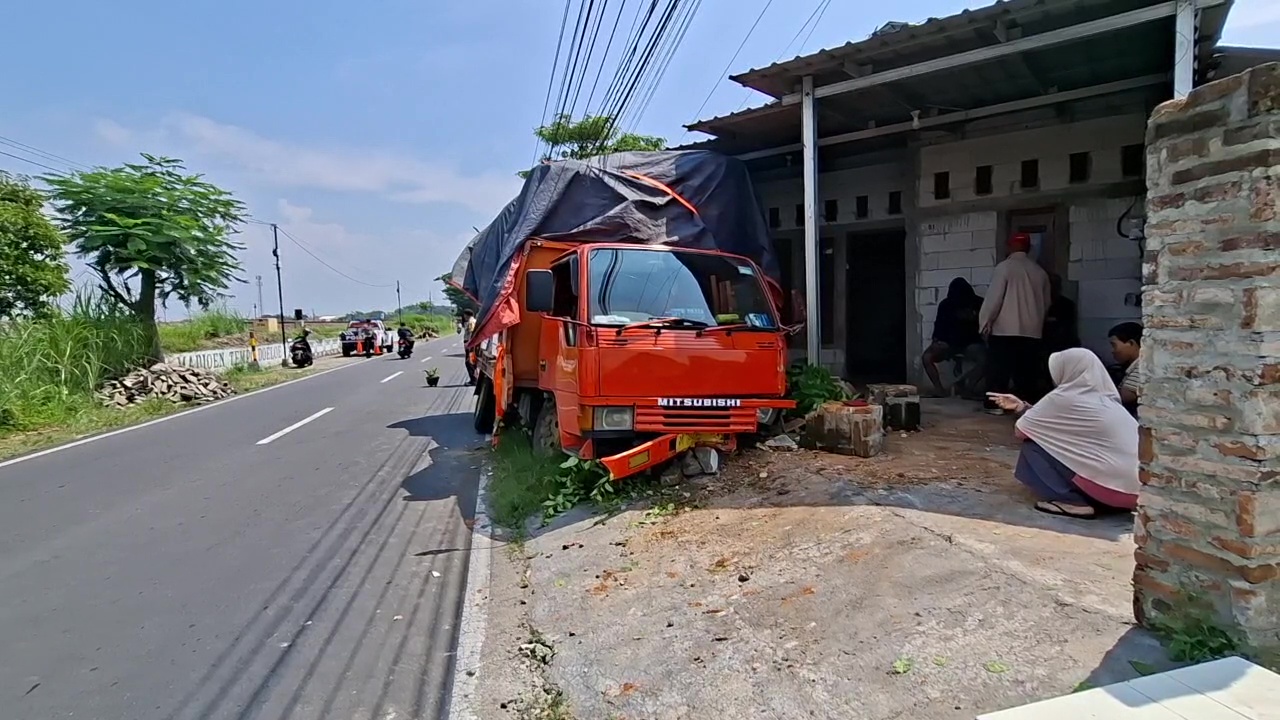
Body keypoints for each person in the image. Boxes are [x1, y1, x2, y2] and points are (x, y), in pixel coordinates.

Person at [987, 348, 1139, 519]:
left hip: (1110, 490)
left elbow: (1023, 430)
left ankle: (1071, 501)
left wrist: (1024, 411)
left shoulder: (1064, 397)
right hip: (1136, 494)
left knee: (1033, 446)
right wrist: (1022, 407)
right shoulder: (1107, 400)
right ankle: (1102, 503)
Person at [979, 232, 1051, 413]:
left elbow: (994, 299)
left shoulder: (1004, 268)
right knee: (1026, 373)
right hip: (1032, 331)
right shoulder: (1040, 272)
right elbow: (1047, 302)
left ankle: (995, 406)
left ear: (1010, 246)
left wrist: (985, 322)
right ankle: (1026, 408)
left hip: (1005, 330)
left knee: (998, 371)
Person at [921, 277, 986, 398]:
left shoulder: (977, 303)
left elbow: (984, 324)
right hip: (949, 343)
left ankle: (967, 387)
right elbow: (939, 325)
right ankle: (940, 390)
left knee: (987, 359)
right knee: (926, 357)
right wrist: (937, 340)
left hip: (970, 343)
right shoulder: (946, 304)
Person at [1108, 321, 1144, 418]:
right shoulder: (1133, 366)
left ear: (1131, 343)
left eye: (1114, 345)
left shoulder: (1141, 367)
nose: (1112, 351)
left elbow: (1122, 397)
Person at [1043, 274, 1080, 354]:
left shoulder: (1067, 304)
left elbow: (1068, 326)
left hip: (1062, 343)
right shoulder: (1040, 303)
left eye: (1055, 286)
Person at [462, 309, 478, 385]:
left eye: (464, 315)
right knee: (471, 362)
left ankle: (473, 380)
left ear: (466, 315)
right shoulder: (473, 321)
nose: (464, 317)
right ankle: (474, 379)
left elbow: (471, 333)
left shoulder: (471, 322)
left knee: (469, 362)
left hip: (470, 345)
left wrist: (469, 344)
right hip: (471, 344)